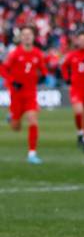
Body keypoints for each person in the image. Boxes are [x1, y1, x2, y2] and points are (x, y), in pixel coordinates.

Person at [1, 26, 47, 164]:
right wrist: (12, 81)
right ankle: (12, 117)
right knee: (16, 127)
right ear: (20, 38)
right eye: (24, 34)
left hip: (31, 94)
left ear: (33, 37)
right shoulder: (14, 54)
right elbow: (3, 69)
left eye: (29, 34)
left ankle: (32, 154)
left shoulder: (38, 54)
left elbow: (43, 70)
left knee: (33, 119)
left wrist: (43, 76)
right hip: (16, 95)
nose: (27, 37)